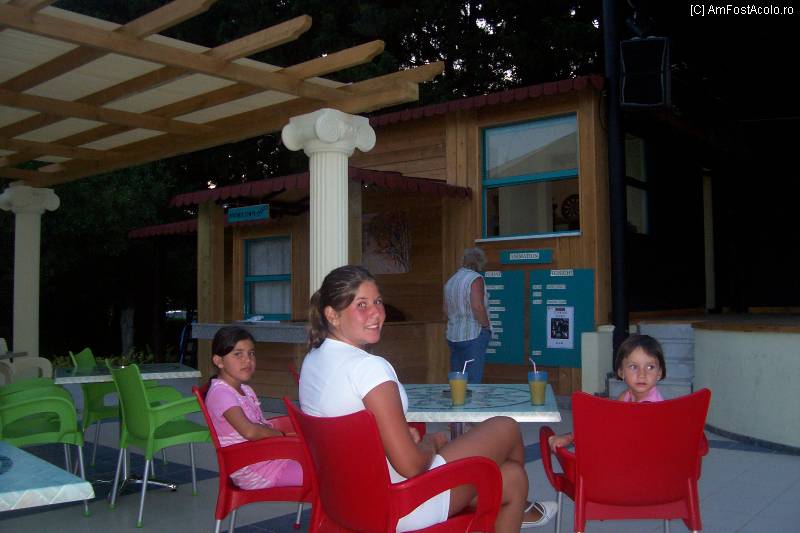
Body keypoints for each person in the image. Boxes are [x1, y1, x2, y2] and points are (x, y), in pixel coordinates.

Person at [300, 265, 557, 532]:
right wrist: (431, 443)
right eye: (361, 305)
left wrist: (400, 439)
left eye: (377, 301)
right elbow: (411, 466)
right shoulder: (368, 369)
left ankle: (517, 507)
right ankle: (514, 510)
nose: (376, 312)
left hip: (345, 500)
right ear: (332, 315)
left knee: (513, 479)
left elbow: (350, 431)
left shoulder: (313, 361)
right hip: (401, 503)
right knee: (506, 426)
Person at [204, 325, 302, 489]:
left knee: (326, 463)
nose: (247, 360)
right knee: (327, 473)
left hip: (267, 458)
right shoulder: (221, 394)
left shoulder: (245, 389)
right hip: (254, 471)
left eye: (251, 353)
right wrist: (282, 435)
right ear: (218, 361)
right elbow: (250, 431)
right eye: (238, 354)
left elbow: (260, 426)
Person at [548, 334, 667, 451]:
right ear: (621, 372)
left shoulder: (651, 406)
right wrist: (573, 436)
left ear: (659, 373)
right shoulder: (626, 395)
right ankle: (571, 438)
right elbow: (609, 420)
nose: (642, 374)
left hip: (645, 457)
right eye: (633, 367)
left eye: (650, 367)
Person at [443, 247, 491, 383]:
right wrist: (486, 326)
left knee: (458, 380)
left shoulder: (451, 280)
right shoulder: (475, 279)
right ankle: (473, 399)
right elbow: (477, 306)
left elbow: (445, 309)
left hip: (453, 335)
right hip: (473, 334)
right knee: (473, 381)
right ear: (479, 262)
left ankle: (458, 397)